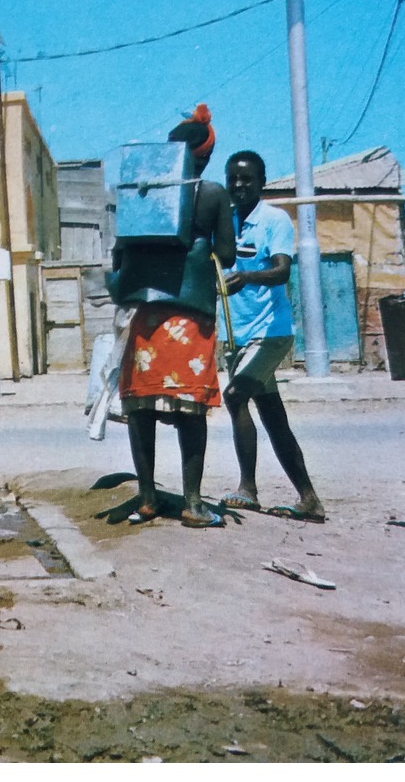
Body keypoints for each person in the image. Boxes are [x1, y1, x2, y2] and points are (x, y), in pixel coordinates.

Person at [110, 105, 235, 528]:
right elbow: (229, 253)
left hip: (147, 316)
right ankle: (193, 503)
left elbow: (120, 253)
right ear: (206, 155)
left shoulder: (141, 192)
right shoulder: (215, 194)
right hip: (191, 316)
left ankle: (146, 498)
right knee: (190, 410)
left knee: (141, 407)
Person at [219, 150, 326, 522]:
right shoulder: (226, 222)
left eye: (247, 179)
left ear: (261, 183)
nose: (238, 185)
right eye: (233, 178)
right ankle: (309, 499)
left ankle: (247, 488)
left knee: (234, 397)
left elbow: (282, 272)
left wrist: (247, 277)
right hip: (237, 337)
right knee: (273, 417)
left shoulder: (274, 220)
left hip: (271, 334)